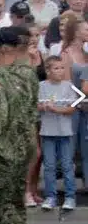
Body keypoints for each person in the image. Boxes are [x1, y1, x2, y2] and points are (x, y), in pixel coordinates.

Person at [38, 56, 78, 213]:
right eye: (56, 68)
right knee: (49, 166)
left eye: (62, 68)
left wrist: (57, 110)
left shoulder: (69, 86)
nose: (60, 71)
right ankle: (50, 197)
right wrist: (44, 107)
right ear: (48, 71)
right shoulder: (41, 86)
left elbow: (72, 108)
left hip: (65, 132)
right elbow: (36, 105)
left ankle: (70, 197)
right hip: (47, 132)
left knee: (67, 165)